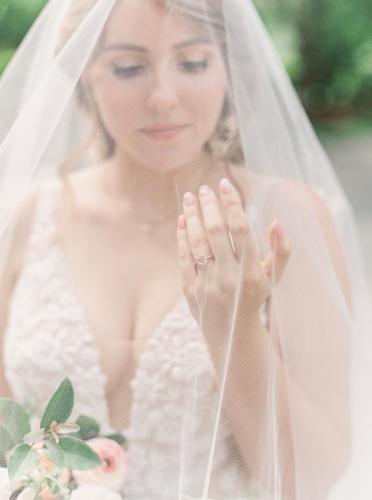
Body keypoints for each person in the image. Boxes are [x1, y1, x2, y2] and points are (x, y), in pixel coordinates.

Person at [0, 0, 370, 499]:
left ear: (225, 67)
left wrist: (234, 329)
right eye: (128, 67)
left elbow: (313, 477)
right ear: (86, 70)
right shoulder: (24, 218)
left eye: (193, 62)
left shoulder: (289, 218)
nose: (163, 97)